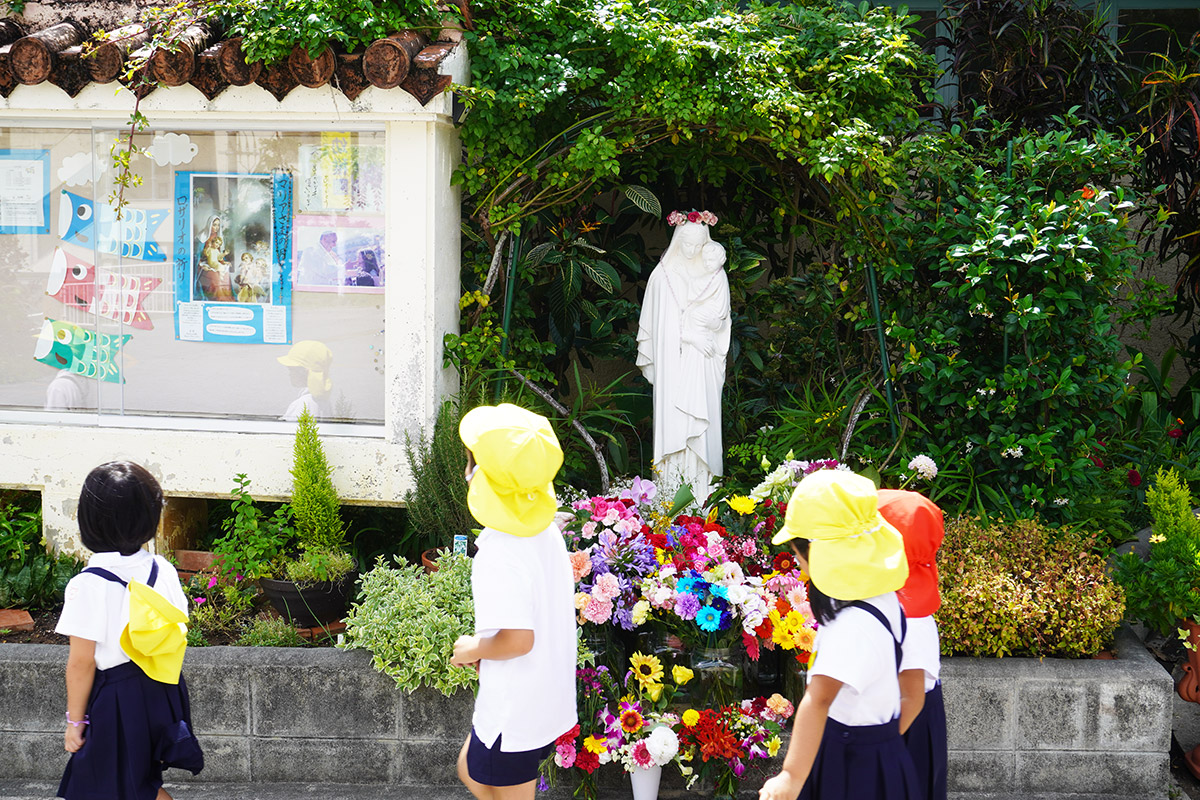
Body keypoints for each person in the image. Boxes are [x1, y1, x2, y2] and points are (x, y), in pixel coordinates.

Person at [760, 469, 920, 800]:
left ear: (817, 554)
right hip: (882, 752)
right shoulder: (885, 599)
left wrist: (789, 777)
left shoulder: (850, 626)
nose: (795, 560)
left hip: (850, 764)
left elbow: (818, 701)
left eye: (797, 552)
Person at [451, 404, 577, 800]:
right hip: (537, 697)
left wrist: (473, 648)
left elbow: (519, 640)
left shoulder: (500, 550)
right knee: (469, 768)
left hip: (513, 710)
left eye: (470, 461)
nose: (465, 469)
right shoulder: (543, 529)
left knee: (484, 779)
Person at [55, 461, 202, 800]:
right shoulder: (161, 568)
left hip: (119, 698)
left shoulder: (87, 585)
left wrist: (74, 722)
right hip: (162, 687)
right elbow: (179, 619)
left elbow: (81, 663)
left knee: (111, 785)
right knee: (134, 782)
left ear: (88, 521)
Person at [635, 211, 730, 501]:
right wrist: (689, 336)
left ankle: (704, 499)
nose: (692, 251)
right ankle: (669, 500)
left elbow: (721, 319)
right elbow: (657, 327)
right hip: (672, 366)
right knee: (673, 423)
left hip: (702, 366)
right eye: (686, 244)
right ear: (678, 240)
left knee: (703, 429)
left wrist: (704, 334)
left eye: (698, 245)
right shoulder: (663, 277)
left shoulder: (716, 274)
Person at [879, 489, 948, 800]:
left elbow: (913, 698)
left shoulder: (913, 617)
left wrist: (878, 748)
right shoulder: (897, 599)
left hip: (907, 725)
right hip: (898, 713)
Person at [277, 341, 333, 421]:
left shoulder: (303, 404)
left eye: (292, 369)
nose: (289, 374)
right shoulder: (323, 400)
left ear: (305, 371)